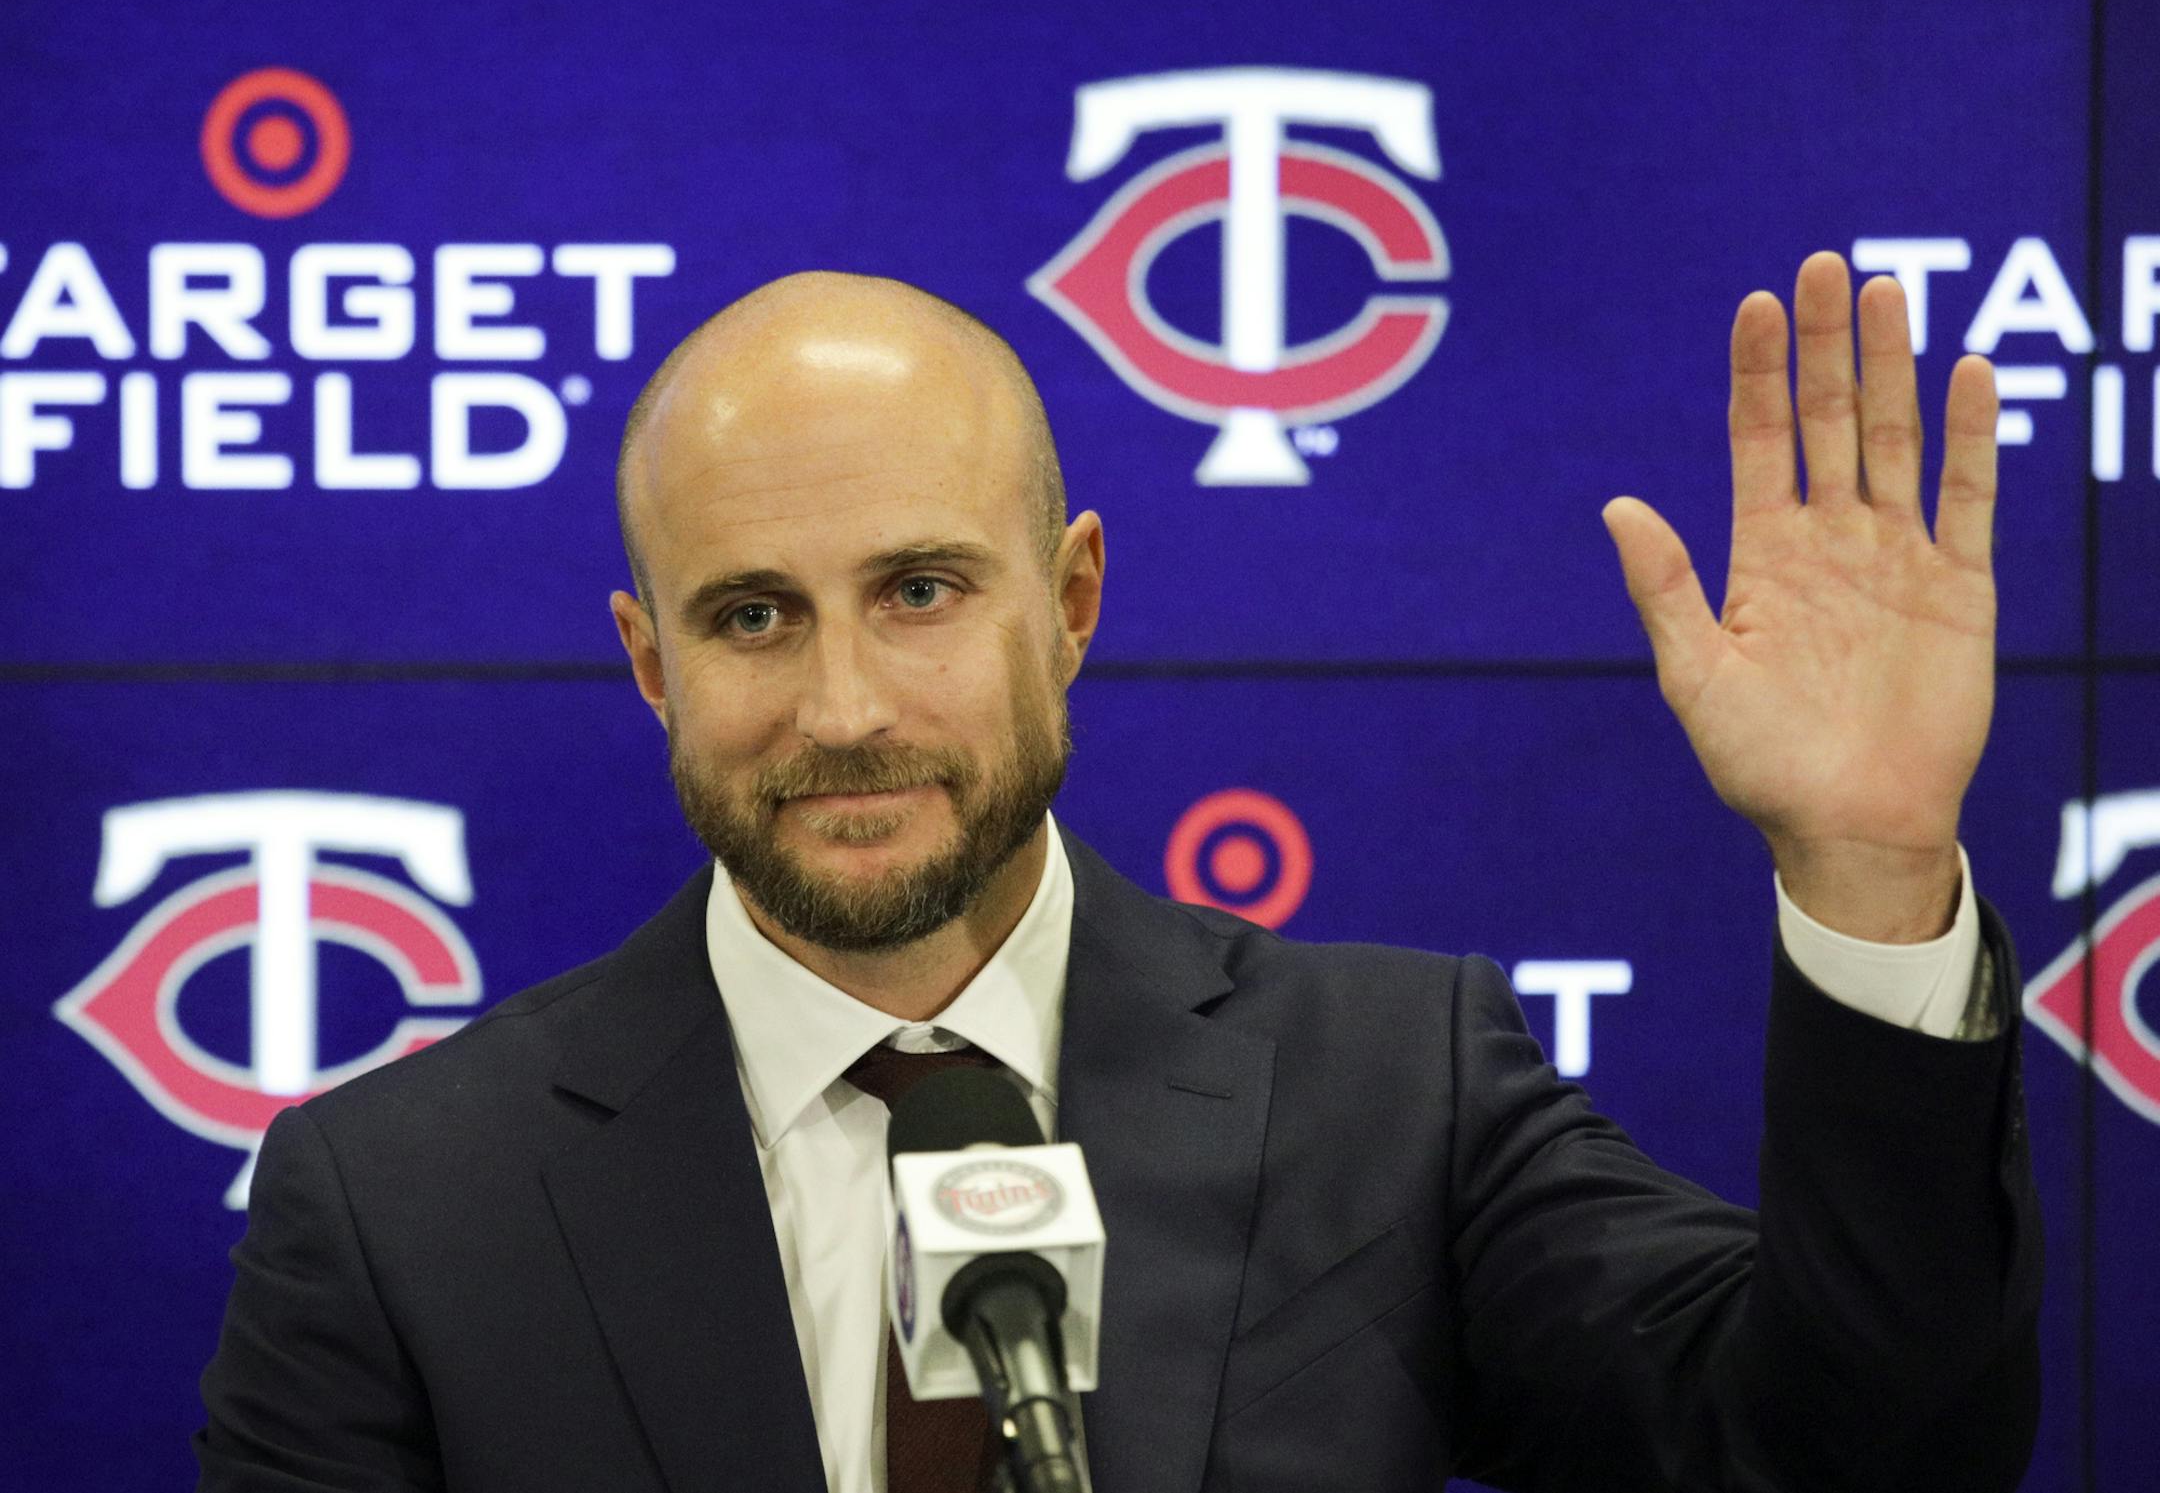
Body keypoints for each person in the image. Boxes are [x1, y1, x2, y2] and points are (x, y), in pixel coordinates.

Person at [195, 260, 2040, 1492]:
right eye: (753, 617)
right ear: (652, 661)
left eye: (922, 591)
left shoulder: (1390, 1092)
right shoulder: (400, 1202)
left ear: (1071, 599)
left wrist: (1870, 869)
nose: (842, 708)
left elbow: (1854, 1452)